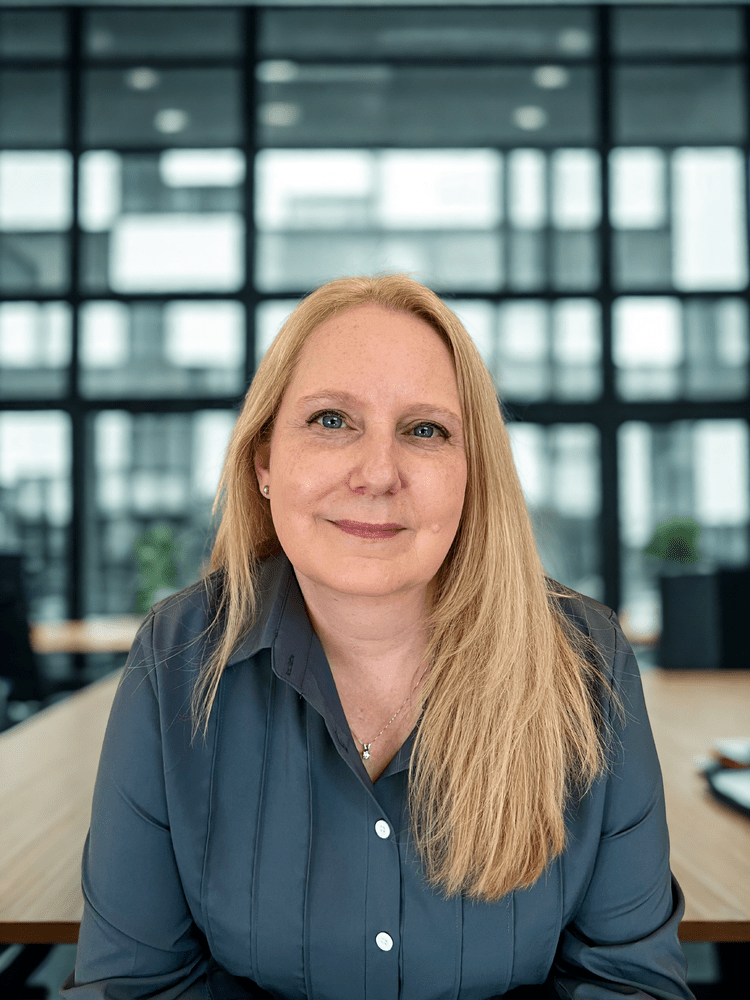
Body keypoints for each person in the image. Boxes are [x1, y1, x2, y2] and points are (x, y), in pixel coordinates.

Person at [61, 274, 695, 1000]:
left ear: (472, 474)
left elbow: (630, 986)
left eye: (425, 430)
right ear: (264, 460)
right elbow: (134, 988)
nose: (378, 473)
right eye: (332, 420)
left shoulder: (588, 666)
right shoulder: (176, 661)